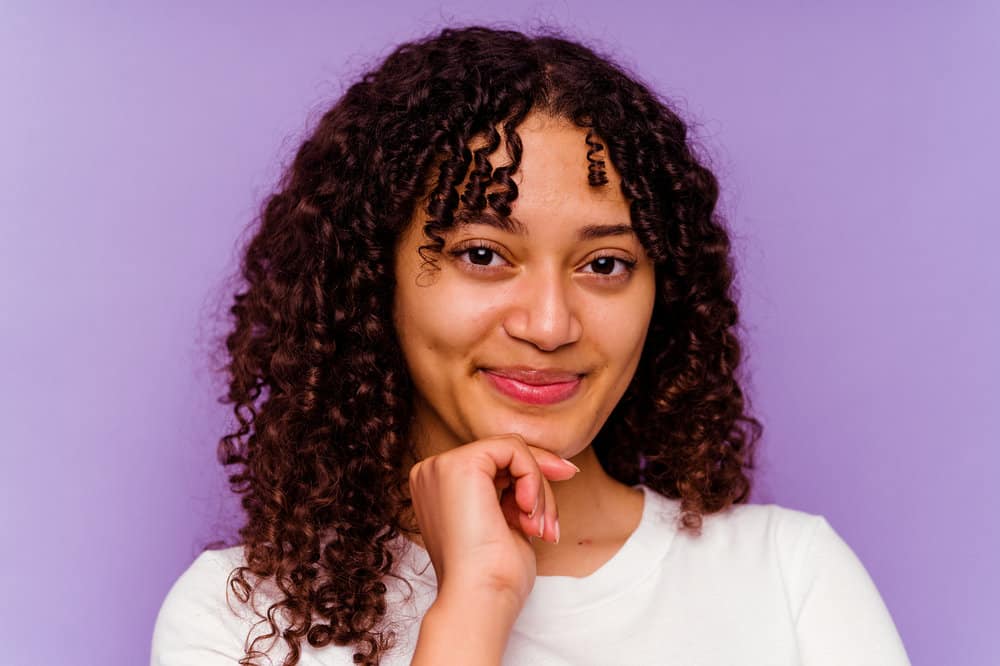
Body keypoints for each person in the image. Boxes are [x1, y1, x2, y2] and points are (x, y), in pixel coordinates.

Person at [150, 25, 910, 666]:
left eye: (604, 265)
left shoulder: (788, 577)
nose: (550, 326)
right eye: (483, 254)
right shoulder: (240, 621)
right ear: (371, 277)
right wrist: (473, 608)